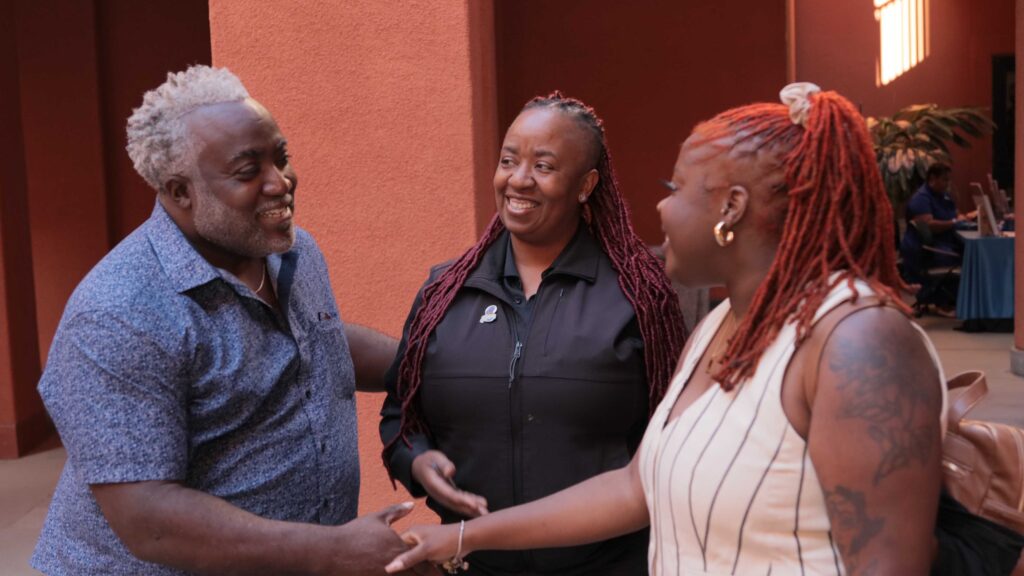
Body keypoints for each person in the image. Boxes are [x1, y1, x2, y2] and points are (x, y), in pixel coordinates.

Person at [384, 84, 947, 576]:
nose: (659, 206)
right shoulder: (721, 329)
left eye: (675, 188)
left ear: (731, 208)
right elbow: (637, 486)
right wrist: (464, 536)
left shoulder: (859, 340)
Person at [31, 65, 436, 576]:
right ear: (181, 192)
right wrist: (332, 552)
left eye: (281, 158)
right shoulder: (117, 313)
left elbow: (316, 343)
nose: (280, 182)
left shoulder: (293, 253)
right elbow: (147, 517)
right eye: (249, 172)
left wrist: (434, 366)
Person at [379, 93, 687, 575]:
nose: (519, 179)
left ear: (586, 185)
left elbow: (672, 443)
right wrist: (417, 462)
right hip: (473, 567)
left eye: (543, 165)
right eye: (508, 161)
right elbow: (402, 415)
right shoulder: (445, 291)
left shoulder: (639, 297)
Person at [899, 162, 973, 315]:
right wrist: (954, 222)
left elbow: (954, 212)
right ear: (933, 178)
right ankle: (943, 302)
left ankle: (961, 300)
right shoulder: (921, 198)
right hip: (927, 249)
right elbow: (929, 224)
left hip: (943, 241)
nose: (948, 184)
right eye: (945, 180)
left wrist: (962, 217)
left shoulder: (943, 195)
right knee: (963, 256)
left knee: (967, 251)